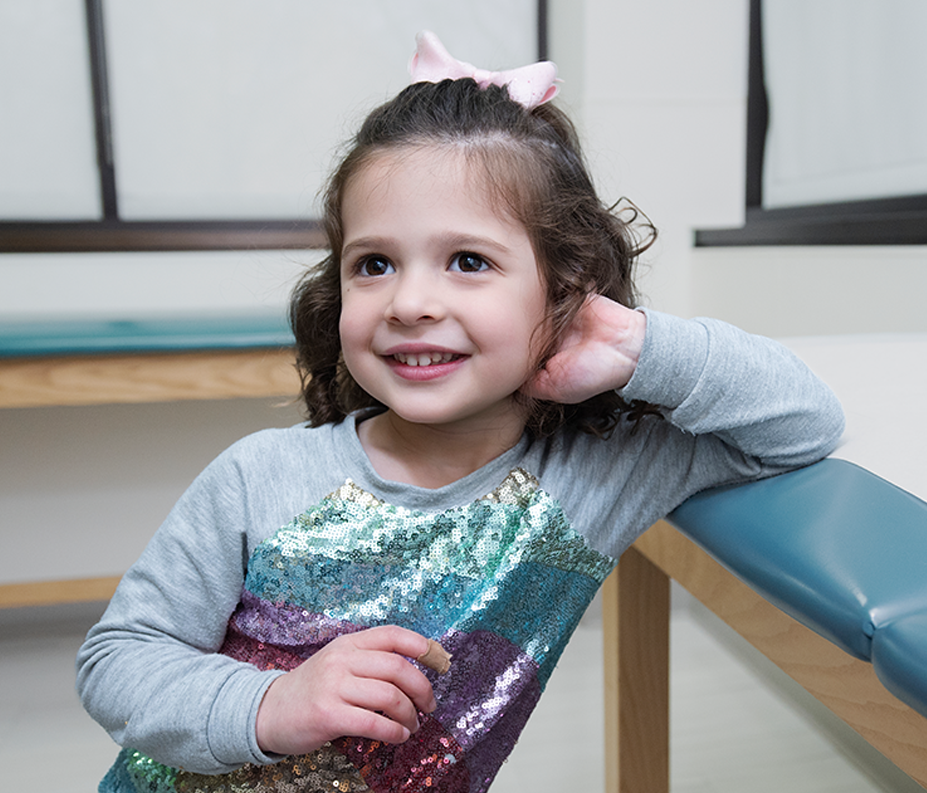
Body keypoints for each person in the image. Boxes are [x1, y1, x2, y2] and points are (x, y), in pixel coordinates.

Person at [76, 32, 842, 793]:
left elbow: (803, 419)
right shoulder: (259, 474)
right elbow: (117, 660)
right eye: (374, 264)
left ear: (564, 284)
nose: (410, 303)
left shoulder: (600, 472)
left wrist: (632, 340)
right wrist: (270, 703)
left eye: (468, 261)